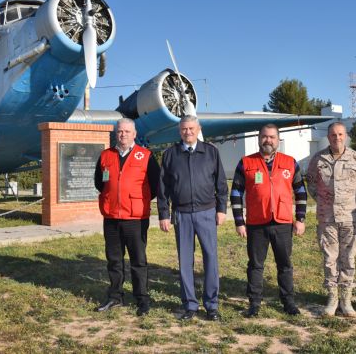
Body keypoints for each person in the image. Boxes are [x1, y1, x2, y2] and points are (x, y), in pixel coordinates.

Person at [230, 124, 307, 317]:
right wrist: (239, 221)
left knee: (285, 264)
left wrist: (300, 219)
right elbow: (236, 193)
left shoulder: (290, 162)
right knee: (255, 265)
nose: (268, 140)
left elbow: (300, 192)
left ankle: (288, 302)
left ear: (278, 140)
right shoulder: (246, 163)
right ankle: (254, 303)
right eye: (264, 137)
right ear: (259, 138)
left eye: (272, 137)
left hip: (282, 222)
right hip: (256, 223)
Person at [157, 115, 228, 321]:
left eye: (191, 128)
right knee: (185, 261)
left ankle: (211, 305)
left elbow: (221, 184)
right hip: (181, 214)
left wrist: (221, 209)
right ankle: (190, 305)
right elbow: (163, 188)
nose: (187, 132)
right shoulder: (170, 154)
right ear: (179, 131)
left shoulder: (211, 152)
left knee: (211, 258)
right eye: (183, 129)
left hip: (207, 213)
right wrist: (164, 213)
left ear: (198, 129)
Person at [94, 118, 160, 317]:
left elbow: (155, 186)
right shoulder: (106, 155)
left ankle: (142, 299)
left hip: (136, 218)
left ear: (134, 133)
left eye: (126, 131)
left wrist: (137, 200)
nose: (122, 134)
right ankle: (115, 296)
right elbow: (99, 182)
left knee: (138, 260)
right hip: (112, 217)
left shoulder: (146, 156)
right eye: (120, 131)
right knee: (114, 260)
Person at [306, 122, 356, 317]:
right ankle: (332, 297)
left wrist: (350, 203)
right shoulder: (318, 159)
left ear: (346, 136)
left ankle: (346, 299)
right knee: (330, 258)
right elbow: (312, 185)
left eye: (340, 134)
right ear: (328, 136)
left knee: (348, 257)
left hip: (349, 217)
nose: (337, 138)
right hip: (326, 217)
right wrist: (325, 203)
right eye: (333, 135)